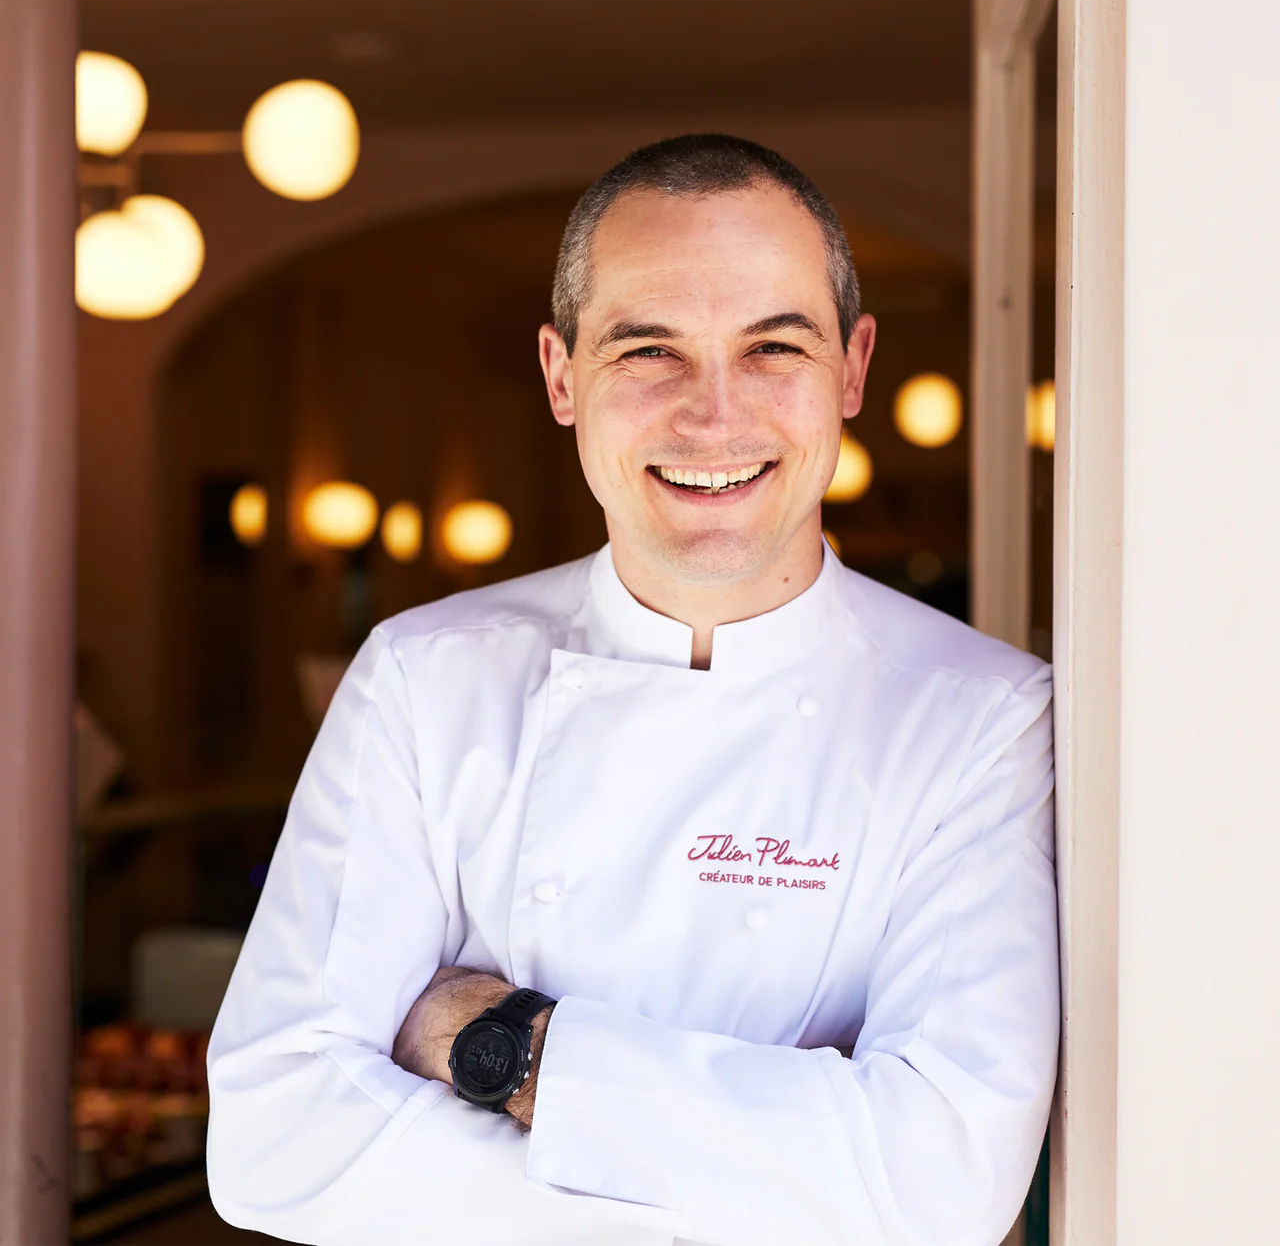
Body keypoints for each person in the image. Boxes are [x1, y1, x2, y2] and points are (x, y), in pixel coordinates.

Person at [206, 134, 1059, 1246]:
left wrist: (499, 1043)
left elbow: (941, 1184)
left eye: (771, 348)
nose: (713, 416)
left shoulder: (980, 719)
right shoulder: (423, 679)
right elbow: (274, 1141)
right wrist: (792, 1175)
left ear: (849, 369)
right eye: (647, 348)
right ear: (563, 377)